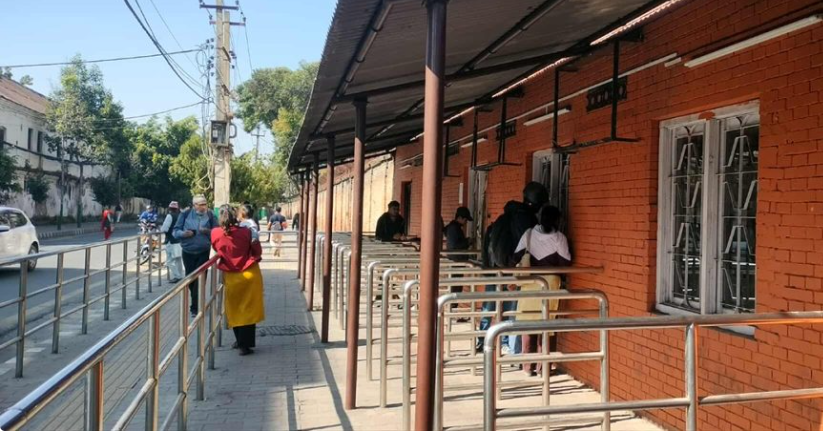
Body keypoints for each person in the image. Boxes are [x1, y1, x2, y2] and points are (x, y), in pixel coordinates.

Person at [476, 181, 549, 354]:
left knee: (489, 304)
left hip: (495, 267)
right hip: (511, 268)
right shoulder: (526, 219)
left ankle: (482, 339)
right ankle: (507, 343)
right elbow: (526, 246)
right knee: (511, 306)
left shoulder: (506, 215)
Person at [513, 205, 571, 376]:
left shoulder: (528, 234)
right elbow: (565, 262)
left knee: (527, 323)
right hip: (550, 284)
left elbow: (516, 256)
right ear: (557, 220)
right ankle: (543, 367)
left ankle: (527, 366)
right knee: (547, 324)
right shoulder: (559, 238)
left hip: (529, 283)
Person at [211, 205, 264, 356]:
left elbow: (217, 249)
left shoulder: (215, 233)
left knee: (234, 309)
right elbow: (257, 251)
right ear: (236, 216)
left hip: (231, 276)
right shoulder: (246, 231)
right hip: (250, 273)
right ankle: (245, 344)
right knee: (249, 309)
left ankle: (239, 341)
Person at [173, 195, 216, 317]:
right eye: (200, 204)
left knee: (200, 279)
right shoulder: (185, 214)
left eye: (205, 204)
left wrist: (207, 231)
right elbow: (175, 232)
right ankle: (196, 301)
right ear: (194, 205)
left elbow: (217, 231)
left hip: (203, 252)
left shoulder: (211, 215)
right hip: (188, 252)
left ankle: (195, 307)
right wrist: (184, 234)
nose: (203, 207)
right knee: (191, 279)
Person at [161, 201, 184, 283]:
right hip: (179, 241)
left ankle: (177, 276)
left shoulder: (169, 216)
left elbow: (164, 229)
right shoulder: (180, 216)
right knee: (178, 259)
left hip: (171, 241)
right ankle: (180, 275)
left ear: (169, 208)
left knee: (169, 261)